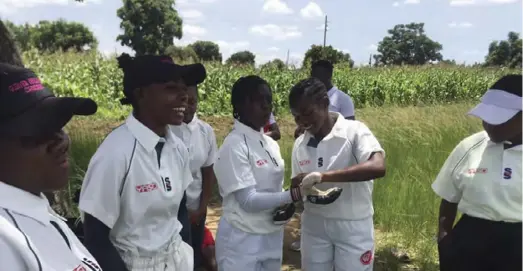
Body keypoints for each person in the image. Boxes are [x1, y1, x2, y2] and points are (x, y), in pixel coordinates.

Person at [78, 54, 206, 271]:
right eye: (171, 88)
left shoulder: (178, 149)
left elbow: (180, 212)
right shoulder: (115, 154)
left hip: (176, 260)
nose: (184, 96)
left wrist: (189, 258)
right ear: (141, 94)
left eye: (184, 88)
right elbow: (96, 238)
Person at [213, 75, 342, 271]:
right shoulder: (234, 145)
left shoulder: (270, 143)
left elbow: (273, 189)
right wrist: (294, 195)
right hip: (242, 239)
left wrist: (287, 204)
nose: (267, 106)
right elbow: (248, 201)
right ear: (240, 105)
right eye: (259, 100)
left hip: (271, 233)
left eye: (269, 100)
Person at [0, 63, 101, 270]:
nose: (61, 141)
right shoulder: (6, 245)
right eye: (36, 132)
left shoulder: (32, 205)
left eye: (59, 125)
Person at [289, 77, 386, 271]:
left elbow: (377, 167)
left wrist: (323, 176)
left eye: (308, 113)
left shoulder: (354, 132)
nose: (303, 122)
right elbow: (297, 187)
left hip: (352, 225)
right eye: (297, 117)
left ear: (325, 103)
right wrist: (296, 189)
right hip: (314, 226)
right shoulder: (300, 144)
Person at [432, 74, 522, 271]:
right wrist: (444, 241)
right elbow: (449, 199)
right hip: (469, 241)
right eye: (486, 118)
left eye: (499, 120)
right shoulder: (470, 146)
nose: (489, 126)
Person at [290, 59, 357, 251]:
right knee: (310, 194)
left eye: (320, 75)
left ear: (329, 75)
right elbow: (305, 120)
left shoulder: (342, 99)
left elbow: (348, 126)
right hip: (311, 148)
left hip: (334, 150)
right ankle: (305, 236)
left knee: (331, 190)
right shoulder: (305, 98)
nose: (316, 78)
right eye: (313, 74)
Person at [171, 83, 218, 269]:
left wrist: (201, 208)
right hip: (172, 212)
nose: (188, 106)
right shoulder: (167, 129)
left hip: (197, 207)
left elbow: (208, 172)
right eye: (184, 101)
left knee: (195, 256)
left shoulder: (206, 131)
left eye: (193, 101)